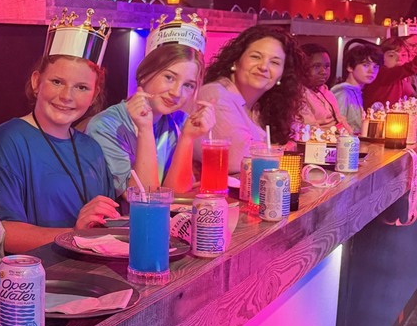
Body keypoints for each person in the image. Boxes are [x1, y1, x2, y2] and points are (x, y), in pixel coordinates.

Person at [0, 10, 118, 253]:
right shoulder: (7, 141)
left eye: (81, 87)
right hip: (31, 279)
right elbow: (4, 234)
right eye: (57, 82)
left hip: (90, 271)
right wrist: (76, 235)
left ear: (94, 95)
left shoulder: (91, 148)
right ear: (37, 82)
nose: (66, 96)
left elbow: (104, 221)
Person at [86, 10, 215, 194]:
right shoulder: (106, 126)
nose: (177, 92)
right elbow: (144, 198)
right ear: (145, 74)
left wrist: (187, 138)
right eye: (169, 77)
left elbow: (176, 195)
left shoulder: (179, 121)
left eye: (188, 85)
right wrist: (145, 130)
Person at [195, 25, 306, 173]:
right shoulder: (215, 94)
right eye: (256, 57)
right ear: (235, 61)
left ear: (281, 75)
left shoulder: (260, 107)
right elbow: (235, 160)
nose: (264, 67)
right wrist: (278, 150)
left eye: (275, 62)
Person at [332, 41, 383, 133]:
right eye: (365, 65)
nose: (372, 71)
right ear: (350, 67)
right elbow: (336, 122)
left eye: (376, 67)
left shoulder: (356, 91)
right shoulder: (343, 91)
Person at [296, 43, 348, 130]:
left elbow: (340, 121)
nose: (324, 71)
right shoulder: (298, 95)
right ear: (302, 68)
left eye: (327, 66)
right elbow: (310, 129)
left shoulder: (327, 93)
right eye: (316, 66)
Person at [363, 36, 417, 108]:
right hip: (378, 117)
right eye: (391, 55)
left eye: (403, 55)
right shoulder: (379, 73)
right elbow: (406, 69)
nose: (399, 59)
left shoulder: (407, 78)